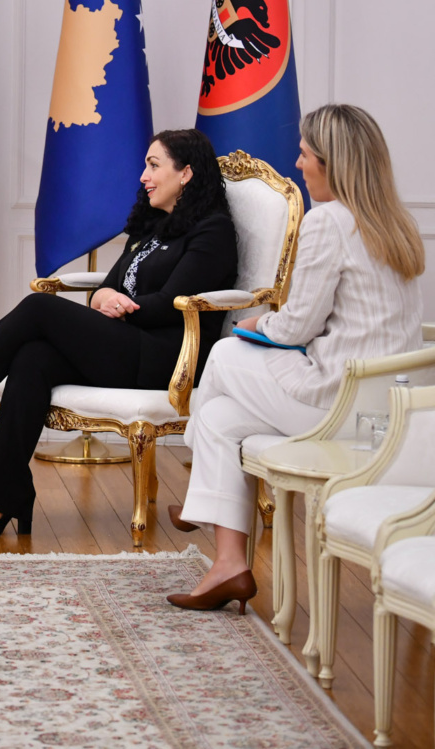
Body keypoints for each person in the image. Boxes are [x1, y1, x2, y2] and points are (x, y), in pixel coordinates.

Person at [0, 129, 239, 539]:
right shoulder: (153, 225)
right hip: (127, 343)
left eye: (153, 165)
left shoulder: (212, 231)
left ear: (185, 173)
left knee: (39, 307)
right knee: (32, 358)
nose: (143, 176)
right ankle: (3, 497)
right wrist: (103, 298)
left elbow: (172, 304)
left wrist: (118, 306)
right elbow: (108, 287)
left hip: (166, 357)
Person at [166, 104, 424, 612]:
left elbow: (298, 326)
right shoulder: (398, 223)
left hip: (337, 402)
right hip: (390, 409)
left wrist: (257, 325)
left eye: (305, 155)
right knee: (219, 417)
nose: (298, 164)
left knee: (225, 350)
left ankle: (199, 493)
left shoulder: (329, 221)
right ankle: (229, 567)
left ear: (332, 162)